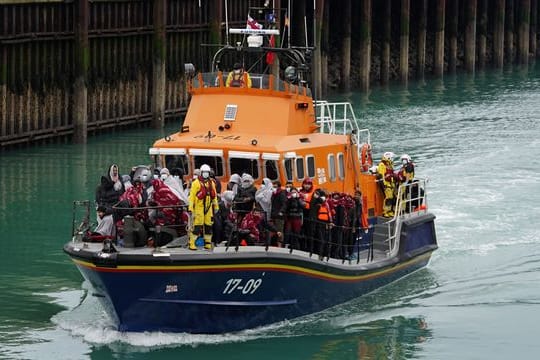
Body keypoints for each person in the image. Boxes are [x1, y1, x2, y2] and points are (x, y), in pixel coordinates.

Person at [188, 164, 219, 250]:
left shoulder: (211, 183)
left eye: (207, 172)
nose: (206, 174)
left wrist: (216, 206)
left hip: (208, 207)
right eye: (204, 172)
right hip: (199, 207)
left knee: (208, 225)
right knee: (197, 225)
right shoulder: (195, 183)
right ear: (201, 173)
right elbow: (192, 197)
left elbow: (214, 195)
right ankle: (192, 243)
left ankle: (208, 243)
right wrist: (190, 208)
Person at [376, 151, 397, 217]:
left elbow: (391, 174)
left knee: (393, 198)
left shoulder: (390, 165)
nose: (392, 159)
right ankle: (386, 212)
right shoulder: (382, 165)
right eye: (391, 158)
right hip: (386, 184)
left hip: (391, 184)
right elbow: (381, 175)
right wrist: (384, 184)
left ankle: (391, 211)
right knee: (388, 198)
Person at [270, 180, 287, 247]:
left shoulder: (281, 193)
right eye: (273, 186)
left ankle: (280, 244)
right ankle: (274, 243)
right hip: (273, 214)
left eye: (275, 186)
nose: (274, 188)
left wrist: (281, 211)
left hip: (279, 216)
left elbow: (284, 204)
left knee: (280, 230)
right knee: (273, 229)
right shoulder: (273, 194)